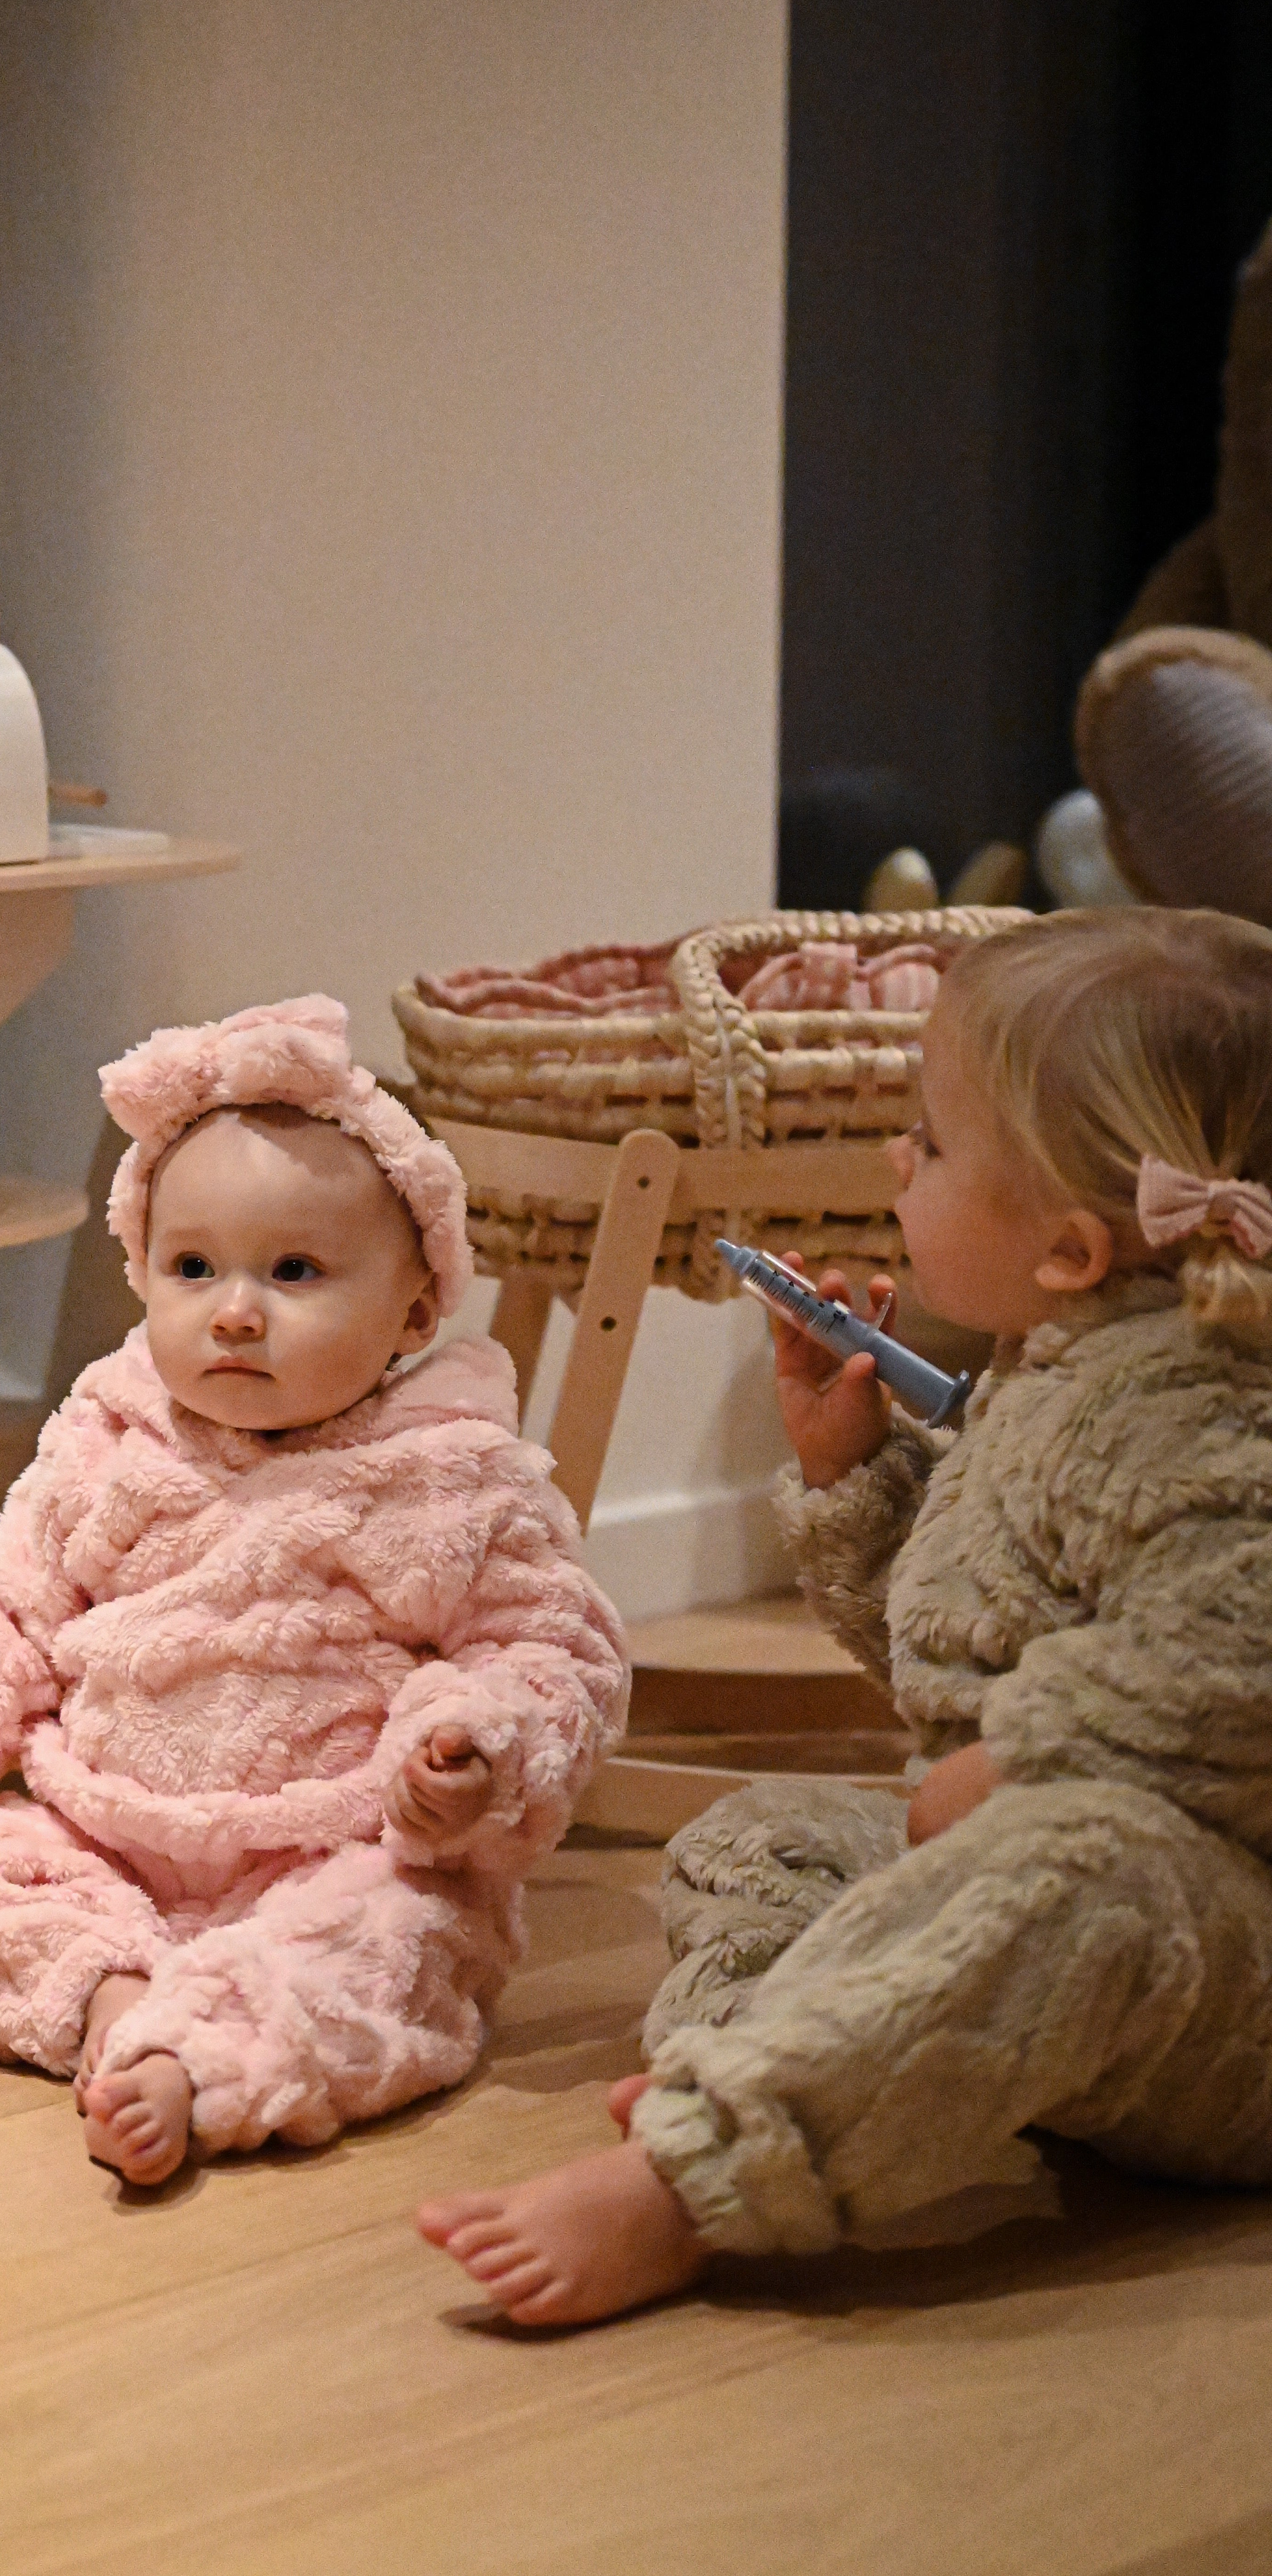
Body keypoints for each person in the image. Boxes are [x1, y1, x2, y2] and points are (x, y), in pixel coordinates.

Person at [419, 907, 1272, 2325]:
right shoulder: (1056, 1368)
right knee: (761, 1840)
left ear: (1069, 1249)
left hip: (1226, 1983)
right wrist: (856, 1476)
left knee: (1075, 1862)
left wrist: (1016, 1766)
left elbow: (1238, 1668)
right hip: (1068, 1913)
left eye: (930, 1146)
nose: (895, 1162)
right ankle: (754, 2069)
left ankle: (703, 2178)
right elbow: (961, 1650)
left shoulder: (1203, 1416)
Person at [0, 996, 628, 2184]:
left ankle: (199, 2067)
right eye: (193, 1268)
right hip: (107, 1833)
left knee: (394, 1943)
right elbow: (8, 1618)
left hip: (328, 1848)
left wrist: (474, 1747)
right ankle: (111, 1993)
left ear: (412, 1310)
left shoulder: (449, 1477)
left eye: (294, 1271)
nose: (235, 1311)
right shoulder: (110, 1441)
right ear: (143, 1272)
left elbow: (547, 1649)